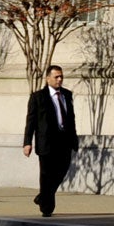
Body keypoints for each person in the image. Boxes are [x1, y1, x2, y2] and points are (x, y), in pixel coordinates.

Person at [21, 64, 78, 218]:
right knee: (46, 175)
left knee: (62, 170)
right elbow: (31, 121)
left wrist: (74, 138)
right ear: (48, 79)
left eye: (61, 76)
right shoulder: (37, 97)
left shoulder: (67, 94)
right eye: (56, 77)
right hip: (46, 142)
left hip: (64, 141)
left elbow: (71, 119)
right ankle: (47, 207)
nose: (59, 79)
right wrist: (27, 142)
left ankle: (42, 196)